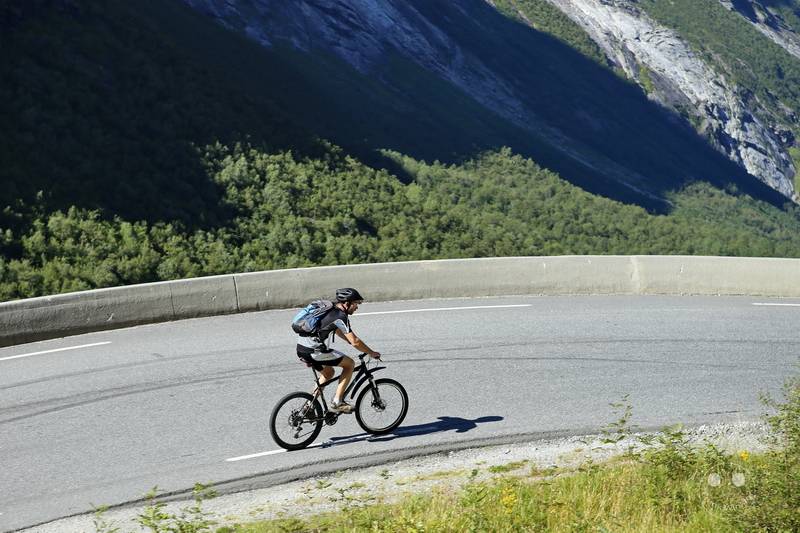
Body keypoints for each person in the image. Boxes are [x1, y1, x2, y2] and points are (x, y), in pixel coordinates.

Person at [296, 288, 381, 413]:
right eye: (356, 304)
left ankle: (309, 406)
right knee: (350, 364)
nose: (357, 307)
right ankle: (337, 402)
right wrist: (372, 353)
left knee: (328, 373)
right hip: (315, 351)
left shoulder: (330, 311)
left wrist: (349, 340)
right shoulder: (340, 316)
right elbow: (355, 342)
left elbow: (337, 330)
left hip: (302, 349)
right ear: (347, 303)